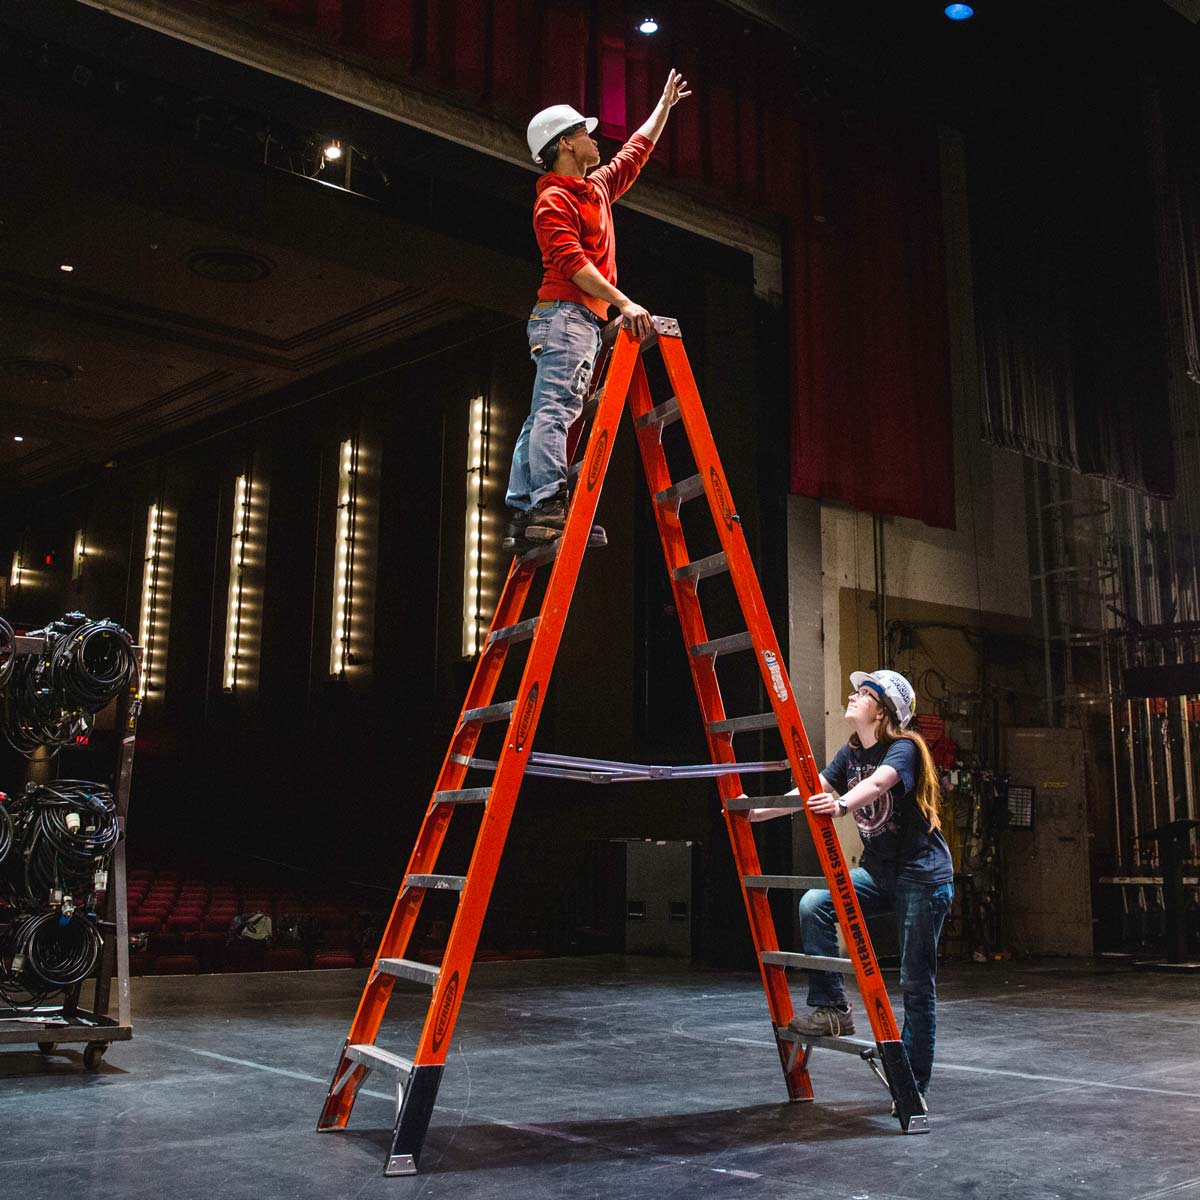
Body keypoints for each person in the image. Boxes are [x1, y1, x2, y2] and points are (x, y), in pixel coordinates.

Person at [504, 70, 692, 555]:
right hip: (566, 316)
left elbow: (635, 152)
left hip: (573, 319)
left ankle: (527, 509)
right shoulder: (554, 200)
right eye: (584, 133)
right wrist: (624, 302)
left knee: (544, 413)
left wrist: (664, 107)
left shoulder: (595, 190)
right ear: (566, 144)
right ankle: (547, 504)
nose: (593, 139)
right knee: (557, 410)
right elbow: (573, 263)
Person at [751, 668, 954, 1102]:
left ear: (882, 711)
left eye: (863, 693)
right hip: (881, 874)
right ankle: (832, 1010)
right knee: (815, 903)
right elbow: (806, 793)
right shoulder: (850, 753)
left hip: (922, 877)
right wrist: (753, 812)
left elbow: (881, 782)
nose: (852, 695)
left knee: (916, 983)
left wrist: (842, 804)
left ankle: (912, 1085)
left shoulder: (904, 748)